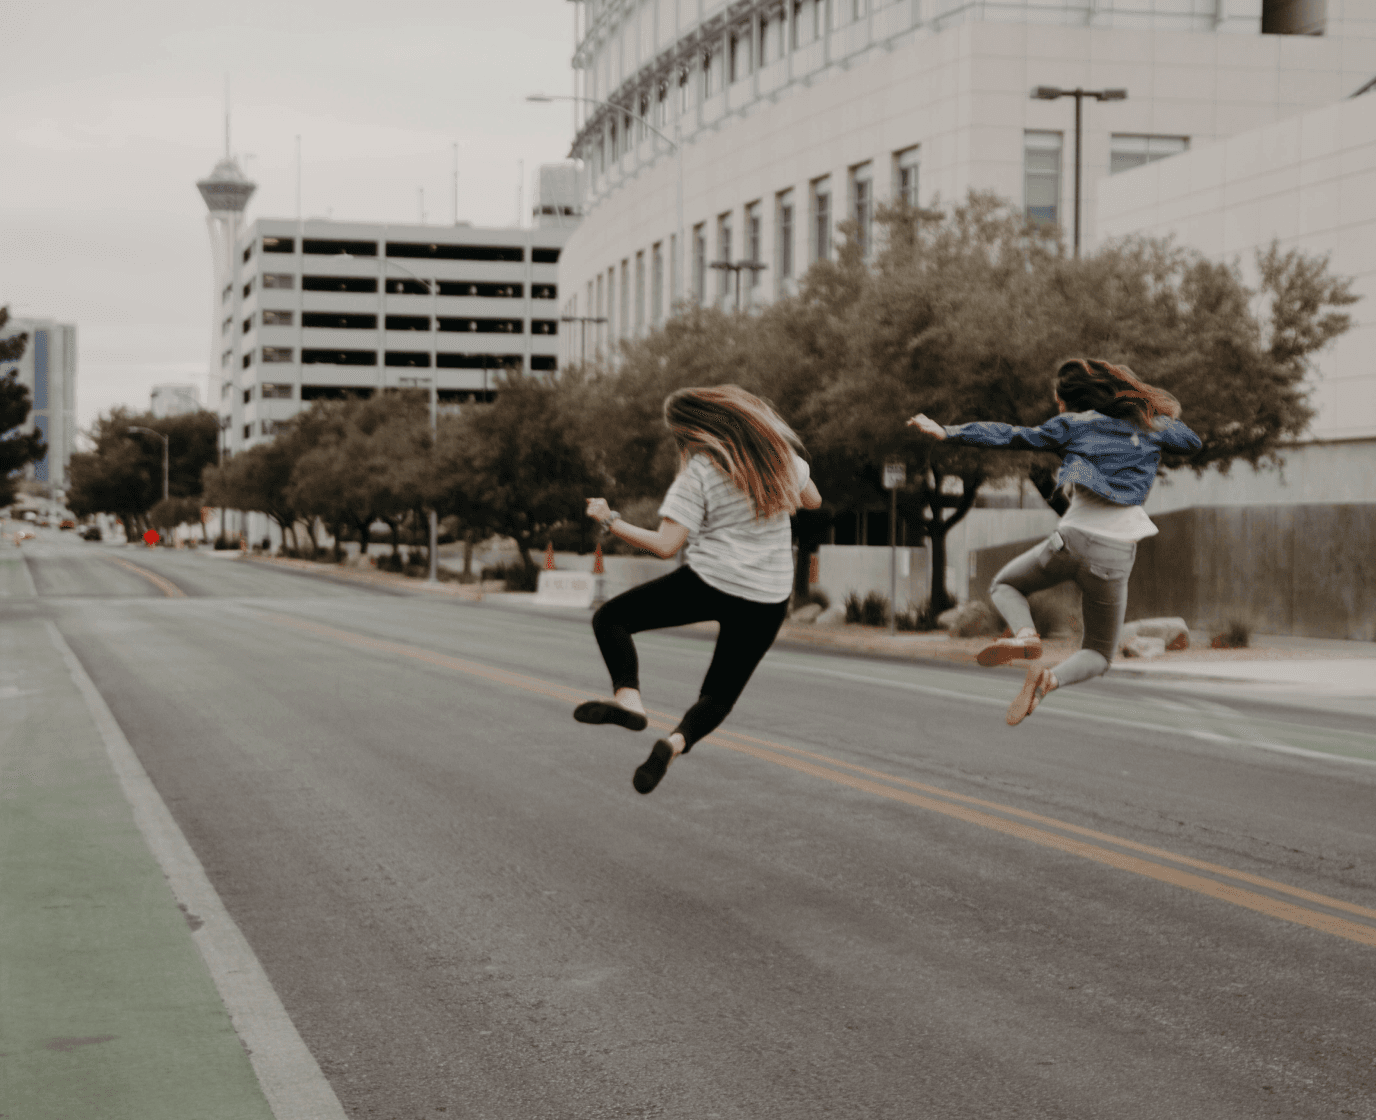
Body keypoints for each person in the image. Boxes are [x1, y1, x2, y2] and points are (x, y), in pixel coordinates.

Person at [908, 358, 1201, 725]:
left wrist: (948, 432)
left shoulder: (1071, 425)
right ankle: (1050, 681)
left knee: (1006, 585)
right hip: (1115, 556)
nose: (1058, 406)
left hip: (1071, 542)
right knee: (1098, 654)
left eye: (1058, 400)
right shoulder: (1147, 426)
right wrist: (1148, 414)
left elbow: (1011, 435)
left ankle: (1027, 636)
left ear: (1069, 400)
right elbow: (1192, 441)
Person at [575, 384, 823, 794]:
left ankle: (629, 698)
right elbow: (813, 501)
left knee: (611, 618)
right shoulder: (781, 457)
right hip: (769, 597)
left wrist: (609, 519)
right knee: (719, 694)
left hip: (712, 582)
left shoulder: (701, 473)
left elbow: (665, 545)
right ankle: (673, 744)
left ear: (690, 431)